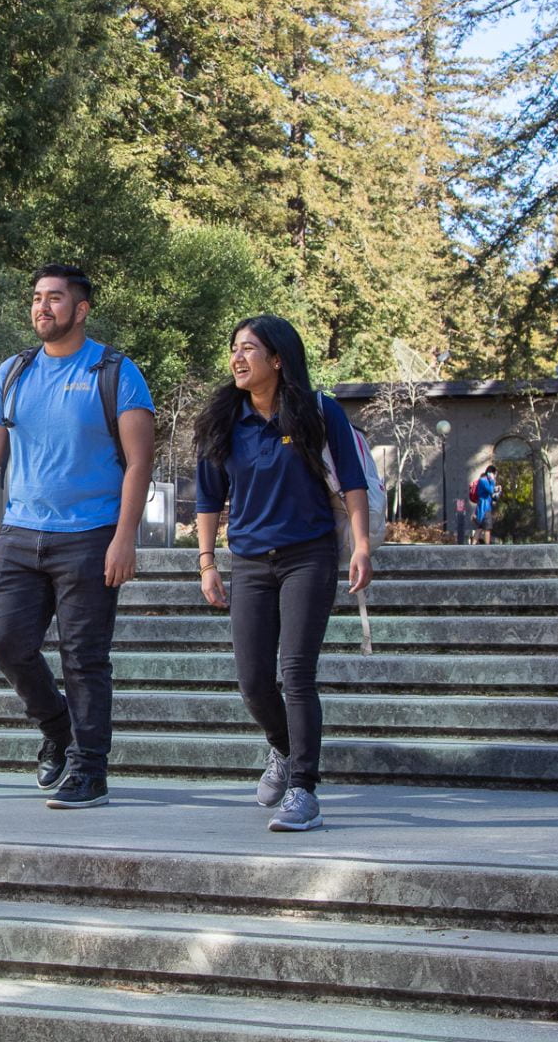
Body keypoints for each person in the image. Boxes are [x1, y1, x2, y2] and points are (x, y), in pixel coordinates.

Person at [0, 264, 154, 810]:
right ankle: (57, 727)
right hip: (21, 534)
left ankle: (90, 770)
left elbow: (140, 462)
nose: (42, 308)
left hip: (91, 535)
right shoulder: (14, 371)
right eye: (36, 299)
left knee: (84, 657)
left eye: (55, 298)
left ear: (81, 308)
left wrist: (125, 538)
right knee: (6, 642)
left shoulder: (116, 371)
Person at [193, 316, 372, 833]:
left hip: (307, 557)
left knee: (295, 673)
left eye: (249, 348)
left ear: (277, 359)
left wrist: (361, 546)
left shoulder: (319, 412)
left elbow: (353, 481)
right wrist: (207, 562)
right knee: (252, 681)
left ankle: (304, 790)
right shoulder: (224, 420)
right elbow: (209, 497)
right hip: (248, 562)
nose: (237, 357)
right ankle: (282, 748)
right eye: (234, 348)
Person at [472, 463, 499, 544]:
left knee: (480, 528)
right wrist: (492, 481)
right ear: (490, 473)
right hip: (485, 507)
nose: (495, 476)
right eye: (494, 474)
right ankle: (487, 547)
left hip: (484, 506)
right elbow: (490, 490)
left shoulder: (484, 480)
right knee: (487, 528)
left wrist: (497, 489)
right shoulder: (483, 480)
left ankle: (472, 546)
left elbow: (491, 492)